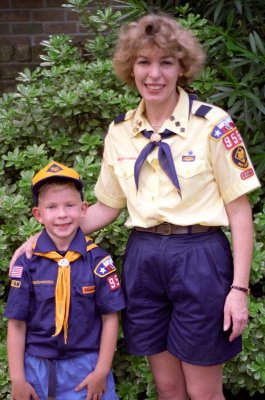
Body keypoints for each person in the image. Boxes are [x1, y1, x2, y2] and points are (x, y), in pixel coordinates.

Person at [10, 14, 261, 400]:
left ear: (182, 67)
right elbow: (106, 207)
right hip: (144, 259)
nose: (154, 74)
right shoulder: (120, 131)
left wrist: (238, 288)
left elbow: (239, 211)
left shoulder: (213, 125)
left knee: (203, 391)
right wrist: (38, 240)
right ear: (131, 67)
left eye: (165, 62)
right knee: (168, 387)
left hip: (199, 257)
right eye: (144, 62)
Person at [5, 161, 125, 400]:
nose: (62, 214)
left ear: (83, 209)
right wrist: (18, 379)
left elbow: (110, 317)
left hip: (86, 368)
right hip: (36, 370)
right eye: (51, 207)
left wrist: (101, 371)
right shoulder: (27, 263)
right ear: (38, 215)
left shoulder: (98, 261)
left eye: (69, 205)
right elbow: (16, 324)